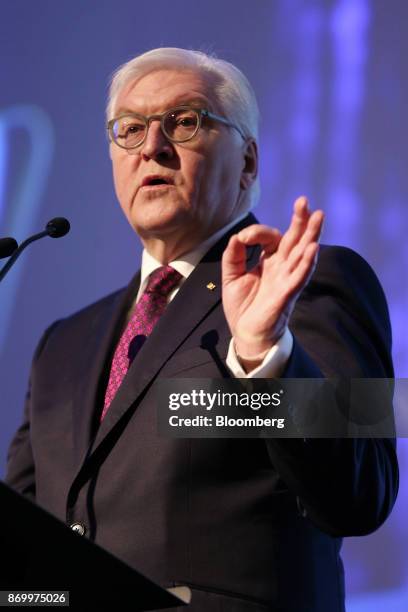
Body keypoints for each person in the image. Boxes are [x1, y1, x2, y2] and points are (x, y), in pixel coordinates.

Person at [4, 48, 398, 611]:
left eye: (184, 121)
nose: (152, 148)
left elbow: (363, 492)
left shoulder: (314, 280)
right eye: (130, 130)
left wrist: (266, 354)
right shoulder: (64, 343)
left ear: (248, 162)